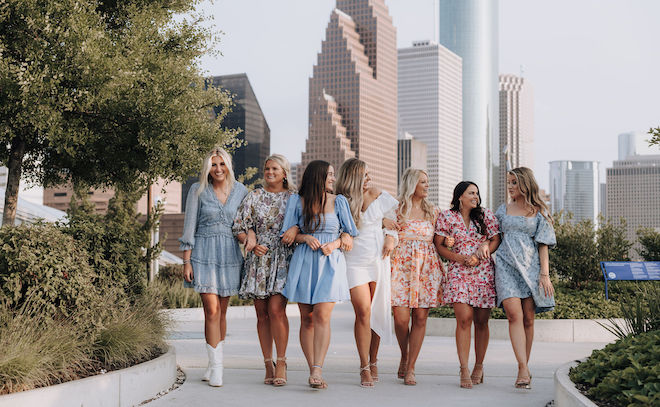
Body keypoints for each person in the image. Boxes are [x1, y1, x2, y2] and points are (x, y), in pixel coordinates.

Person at [279, 160, 358, 389]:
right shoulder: (297, 201)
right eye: (329, 175)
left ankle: (317, 369)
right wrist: (305, 237)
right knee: (307, 318)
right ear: (318, 177)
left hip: (330, 263)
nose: (333, 178)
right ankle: (311, 364)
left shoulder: (339, 201)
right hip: (304, 261)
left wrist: (335, 244)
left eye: (333, 174)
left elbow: (350, 235)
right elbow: (288, 234)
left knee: (322, 315)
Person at [180, 147, 248, 387]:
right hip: (203, 253)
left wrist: (252, 241)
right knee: (211, 310)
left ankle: (212, 362)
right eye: (213, 165)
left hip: (229, 254)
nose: (218, 169)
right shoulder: (197, 190)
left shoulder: (241, 191)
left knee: (223, 312)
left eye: (221, 164)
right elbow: (189, 227)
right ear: (207, 168)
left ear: (228, 165)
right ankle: (218, 368)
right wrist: (186, 261)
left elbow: (246, 224)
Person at [233, 154, 297, 387]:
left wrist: (296, 227)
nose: (270, 172)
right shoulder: (254, 196)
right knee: (262, 314)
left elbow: (305, 220)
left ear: (284, 173)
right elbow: (239, 226)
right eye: (267, 168)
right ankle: (267, 362)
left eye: (275, 169)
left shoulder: (294, 198)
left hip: (282, 259)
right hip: (258, 261)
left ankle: (281, 361)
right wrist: (250, 239)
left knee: (277, 310)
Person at [335, 158, 398, 387]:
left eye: (369, 175)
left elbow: (395, 224)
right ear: (352, 177)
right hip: (353, 263)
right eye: (364, 175)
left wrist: (392, 238)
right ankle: (363, 366)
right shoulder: (340, 200)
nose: (369, 180)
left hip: (378, 261)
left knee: (377, 311)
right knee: (363, 312)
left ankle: (374, 360)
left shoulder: (378, 196)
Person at [434, 181, 500, 389]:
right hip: (458, 271)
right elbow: (438, 244)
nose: (476, 196)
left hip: (483, 272)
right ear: (460, 196)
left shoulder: (486, 215)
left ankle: (478, 366)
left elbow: (496, 239)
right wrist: (458, 258)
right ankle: (463, 368)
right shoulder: (446, 216)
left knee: (481, 322)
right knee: (464, 319)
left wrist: (483, 250)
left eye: (477, 193)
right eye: (471, 193)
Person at [494, 167, 556, 389]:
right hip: (505, 266)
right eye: (508, 182)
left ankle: (524, 367)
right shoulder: (502, 210)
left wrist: (545, 275)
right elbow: (493, 237)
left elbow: (543, 245)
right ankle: (522, 367)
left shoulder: (539, 212)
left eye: (513, 182)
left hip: (530, 268)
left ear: (525, 184)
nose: (509, 187)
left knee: (529, 318)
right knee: (514, 315)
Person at [391, 169, 444, 386]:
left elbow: (442, 239)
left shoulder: (433, 211)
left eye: (427, 182)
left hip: (426, 269)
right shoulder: (396, 209)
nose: (427, 185)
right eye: (423, 182)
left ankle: (411, 366)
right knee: (401, 319)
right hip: (401, 267)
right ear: (412, 183)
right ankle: (405, 354)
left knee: (420, 318)